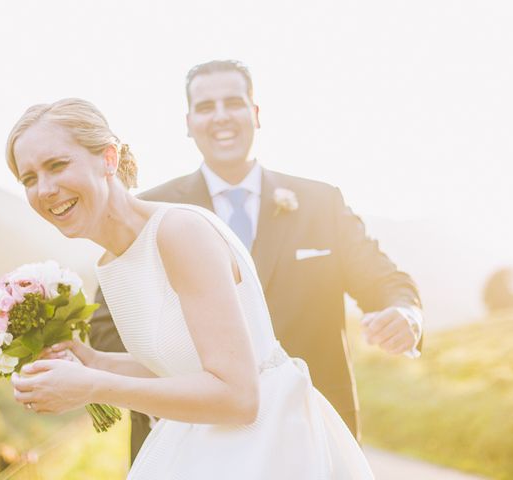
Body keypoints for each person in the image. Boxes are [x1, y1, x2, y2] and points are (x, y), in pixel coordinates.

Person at [7, 98, 375, 478]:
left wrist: (94, 386)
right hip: (204, 444)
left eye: (57, 165)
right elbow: (182, 366)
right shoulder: (113, 260)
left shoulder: (179, 232)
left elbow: (238, 397)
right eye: (29, 178)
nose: (45, 189)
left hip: (263, 450)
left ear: (109, 159)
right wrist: (95, 361)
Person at [89, 60, 423, 459]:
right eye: (206, 106)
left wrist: (406, 314)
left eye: (233, 102)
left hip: (310, 438)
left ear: (255, 113)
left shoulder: (321, 203)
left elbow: (383, 280)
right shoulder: (150, 211)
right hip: (192, 444)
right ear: (188, 121)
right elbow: (108, 327)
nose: (221, 116)